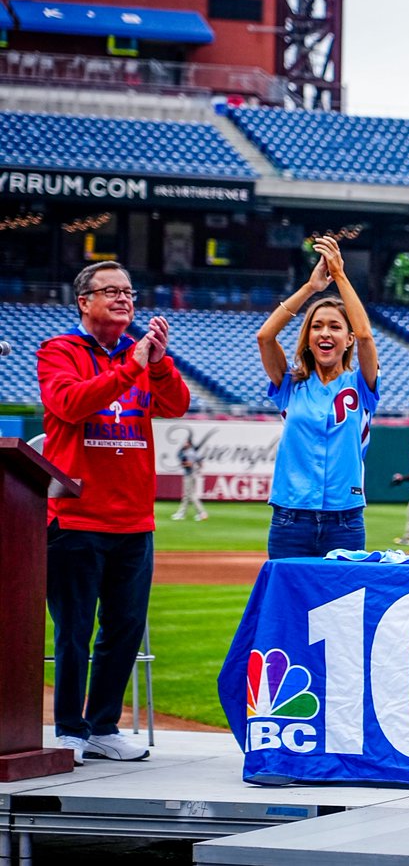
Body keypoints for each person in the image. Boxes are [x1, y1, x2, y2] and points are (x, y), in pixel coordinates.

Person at [37, 261, 190, 765]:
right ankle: (69, 729)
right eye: (112, 292)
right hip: (76, 516)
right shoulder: (59, 352)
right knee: (74, 630)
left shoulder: (141, 354)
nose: (125, 299)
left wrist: (160, 362)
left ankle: (103, 725)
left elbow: (177, 404)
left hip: (133, 518)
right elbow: (71, 404)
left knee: (124, 628)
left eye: (129, 291)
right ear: (84, 301)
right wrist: (133, 367)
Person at [256, 235, 379, 559]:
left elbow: (367, 335)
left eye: (335, 327)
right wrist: (311, 288)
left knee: (343, 610)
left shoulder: (361, 385)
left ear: (348, 338)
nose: (325, 333)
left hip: (346, 520)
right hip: (290, 519)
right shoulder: (290, 384)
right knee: (288, 607)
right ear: (308, 337)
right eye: (317, 326)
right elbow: (265, 335)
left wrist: (340, 275)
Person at [171, 437, 207, 521]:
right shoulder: (193, 452)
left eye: (186, 442)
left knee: (190, 495)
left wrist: (184, 464)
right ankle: (182, 513)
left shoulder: (189, 453)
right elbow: (200, 462)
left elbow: (189, 464)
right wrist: (197, 469)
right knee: (187, 496)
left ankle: (201, 512)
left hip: (189, 475)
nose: (184, 444)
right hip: (192, 474)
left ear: (189, 444)